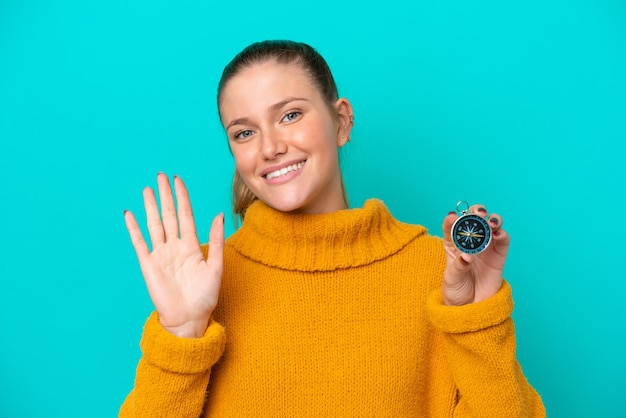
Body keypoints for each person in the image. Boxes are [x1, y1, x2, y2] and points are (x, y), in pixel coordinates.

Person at [119, 40, 546, 417]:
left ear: (341, 121)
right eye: (244, 132)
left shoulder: (439, 272)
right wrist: (180, 338)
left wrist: (476, 321)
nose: (270, 147)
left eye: (289, 115)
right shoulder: (205, 281)